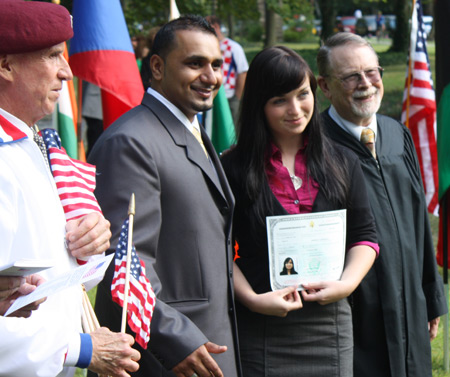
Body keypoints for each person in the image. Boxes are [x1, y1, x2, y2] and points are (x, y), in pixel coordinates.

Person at [88, 15, 241, 377]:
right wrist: (175, 339)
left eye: (217, 65)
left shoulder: (191, 129)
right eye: (195, 63)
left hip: (212, 341)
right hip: (166, 358)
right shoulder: (131, 142)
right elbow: (124, 262)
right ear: (156, 66)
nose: (211, 77)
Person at [0, 1, 141, 376]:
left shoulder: (28, 145)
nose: (66, 72)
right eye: (51, 56)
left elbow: (46, 272)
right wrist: (77, 348)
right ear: (5, 65)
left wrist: (87, 245)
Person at [221, 45, 378, 376]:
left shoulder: (343, 161)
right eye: (279, 100)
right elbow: (217, 247)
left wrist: (347, 284)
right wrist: (251, 299)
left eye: (302, 94)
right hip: (262, 326)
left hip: (330, 325)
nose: (295, 109)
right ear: (258, 107)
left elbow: (365, 236)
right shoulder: (231, 168)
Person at [316, 32, 447, 377]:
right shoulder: (314, 147)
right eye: (350, 77)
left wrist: (430, 297)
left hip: (410, 302)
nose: (366, 84)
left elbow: (418, 219)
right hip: (357, 311)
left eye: (371, 72)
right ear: (325, 87)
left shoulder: (396, 134)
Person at [206, 16, 249, 127]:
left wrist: (237, 98)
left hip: (229, 97)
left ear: (215, 26)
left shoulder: (234, 47)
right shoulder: (206, 47)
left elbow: (242, 73)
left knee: (230, 129)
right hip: (209, 96)